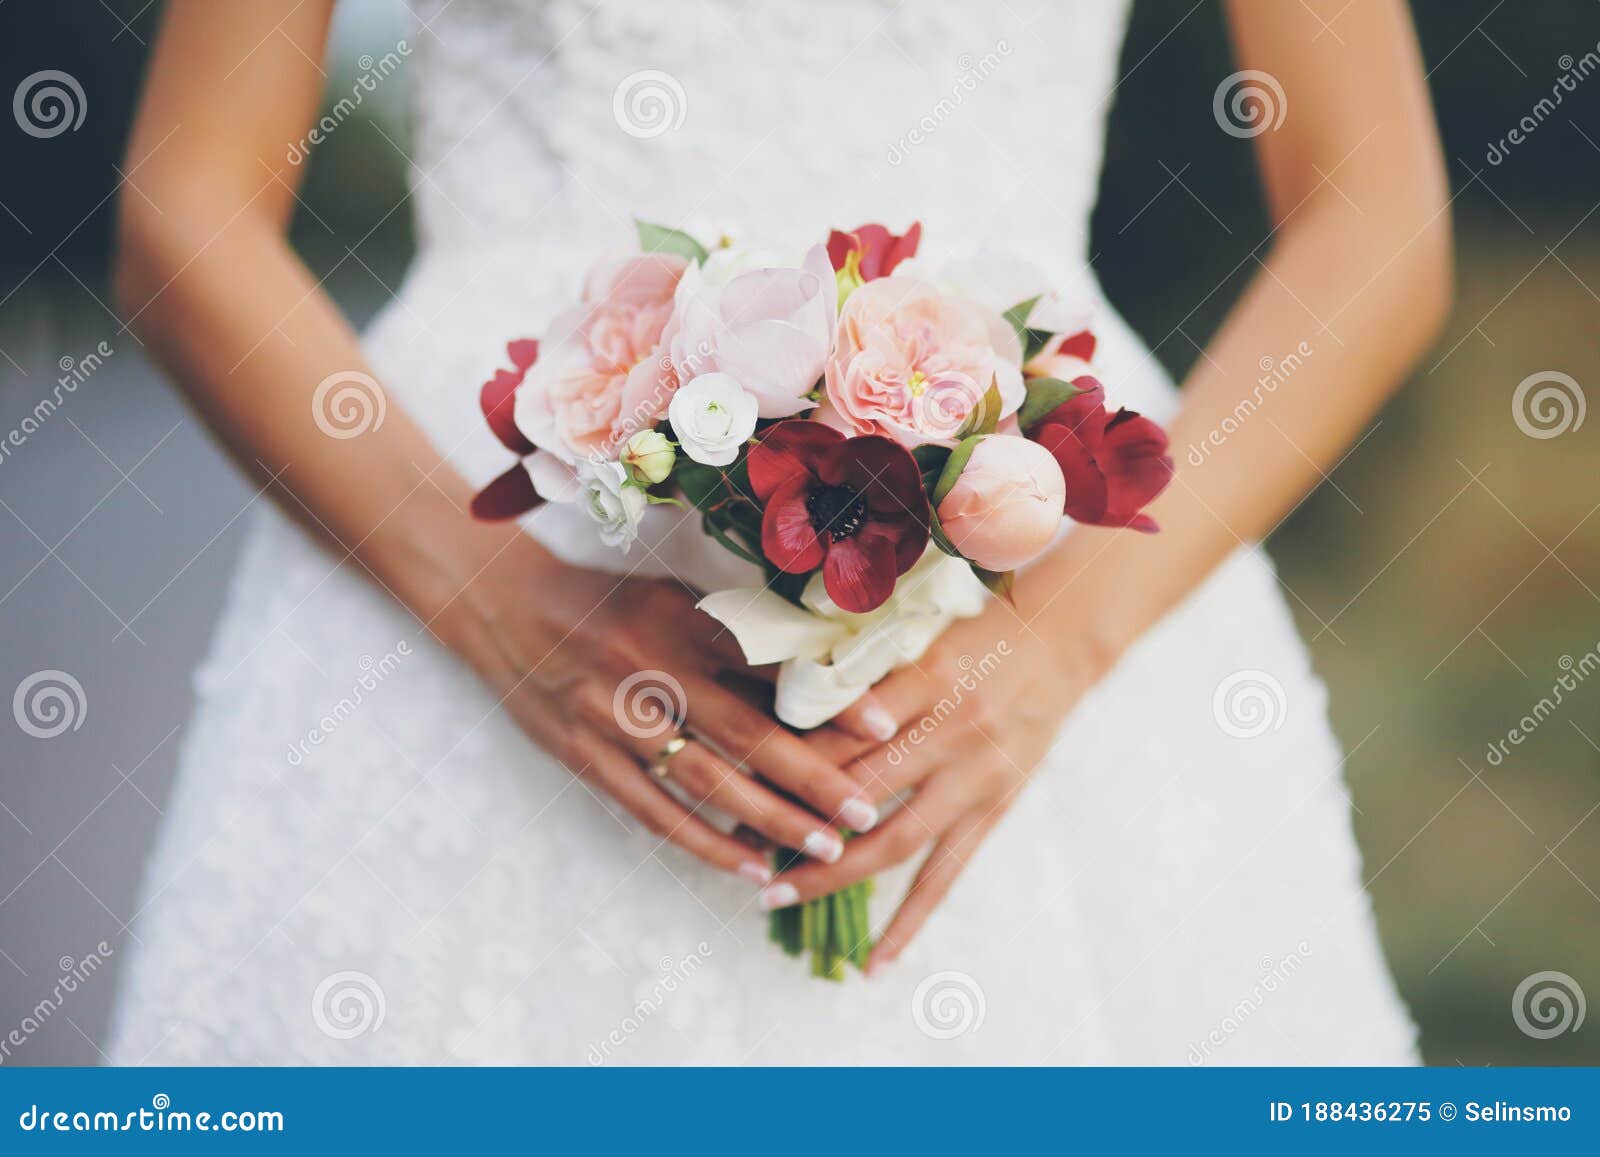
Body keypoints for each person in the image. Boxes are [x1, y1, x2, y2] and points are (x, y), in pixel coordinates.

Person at [107, 0, 1451, 1064]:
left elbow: (1377, 213)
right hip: (471, 526)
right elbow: (187, 203)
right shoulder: (484, 587)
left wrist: (1057, 643)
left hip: (1051, 539)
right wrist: (493, 598)